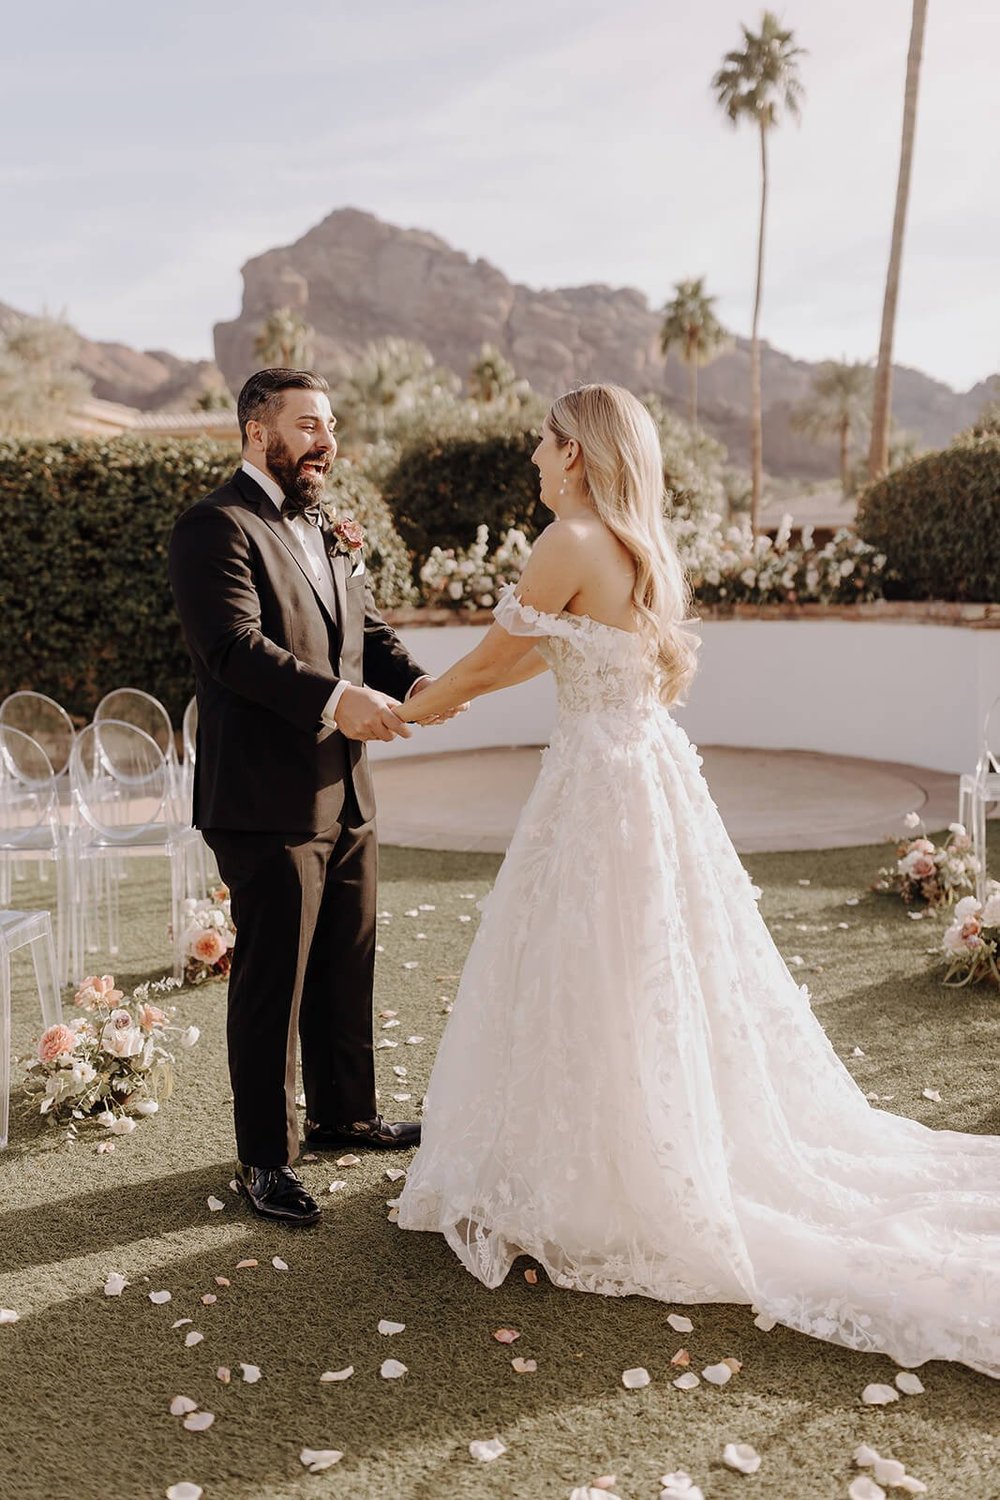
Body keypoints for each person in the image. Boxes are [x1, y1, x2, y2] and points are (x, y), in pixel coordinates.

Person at [396, 382, 1000, 1378]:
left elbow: (500, 656)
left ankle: (599, 1175)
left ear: (578, 452)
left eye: (544, 445)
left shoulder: (568, 542)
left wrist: (411, 712)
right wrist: (445, 696)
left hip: (598, 784)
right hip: (648, 775)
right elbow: (529, 656)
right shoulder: (637, 547)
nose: (535, 460)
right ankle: (626, 1145)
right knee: (644, 970)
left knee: (594, 967)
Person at [169, 368, 455, 1227]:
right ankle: (266, 1154)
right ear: (259, 432)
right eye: (307, 424)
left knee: (345, 955)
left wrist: (419, 679)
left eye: (330, 423)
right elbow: (233, 648)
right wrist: (340, 702)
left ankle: (344, 1114)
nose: (325, 439)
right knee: (272, 980)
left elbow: (359, 629)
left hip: (348, 788)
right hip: (263, 796)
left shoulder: (329, 525)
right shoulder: (212, 526)